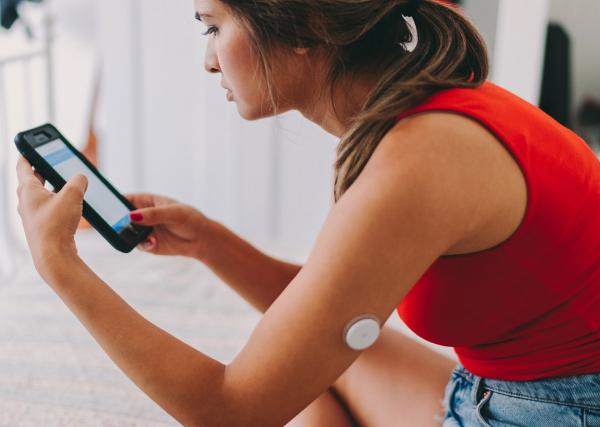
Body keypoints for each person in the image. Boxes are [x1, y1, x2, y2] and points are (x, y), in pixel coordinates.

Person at [15, 0, 600, 425]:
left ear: (301, 28)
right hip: (523, 389)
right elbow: (325, 309)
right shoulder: (426, 114)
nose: (208, 62)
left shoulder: (415, 162)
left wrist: (59, 265)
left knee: (283, 390)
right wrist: (210, 243)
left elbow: (231, 410)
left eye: (214, 27)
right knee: (311, 375)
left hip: (553, 410)